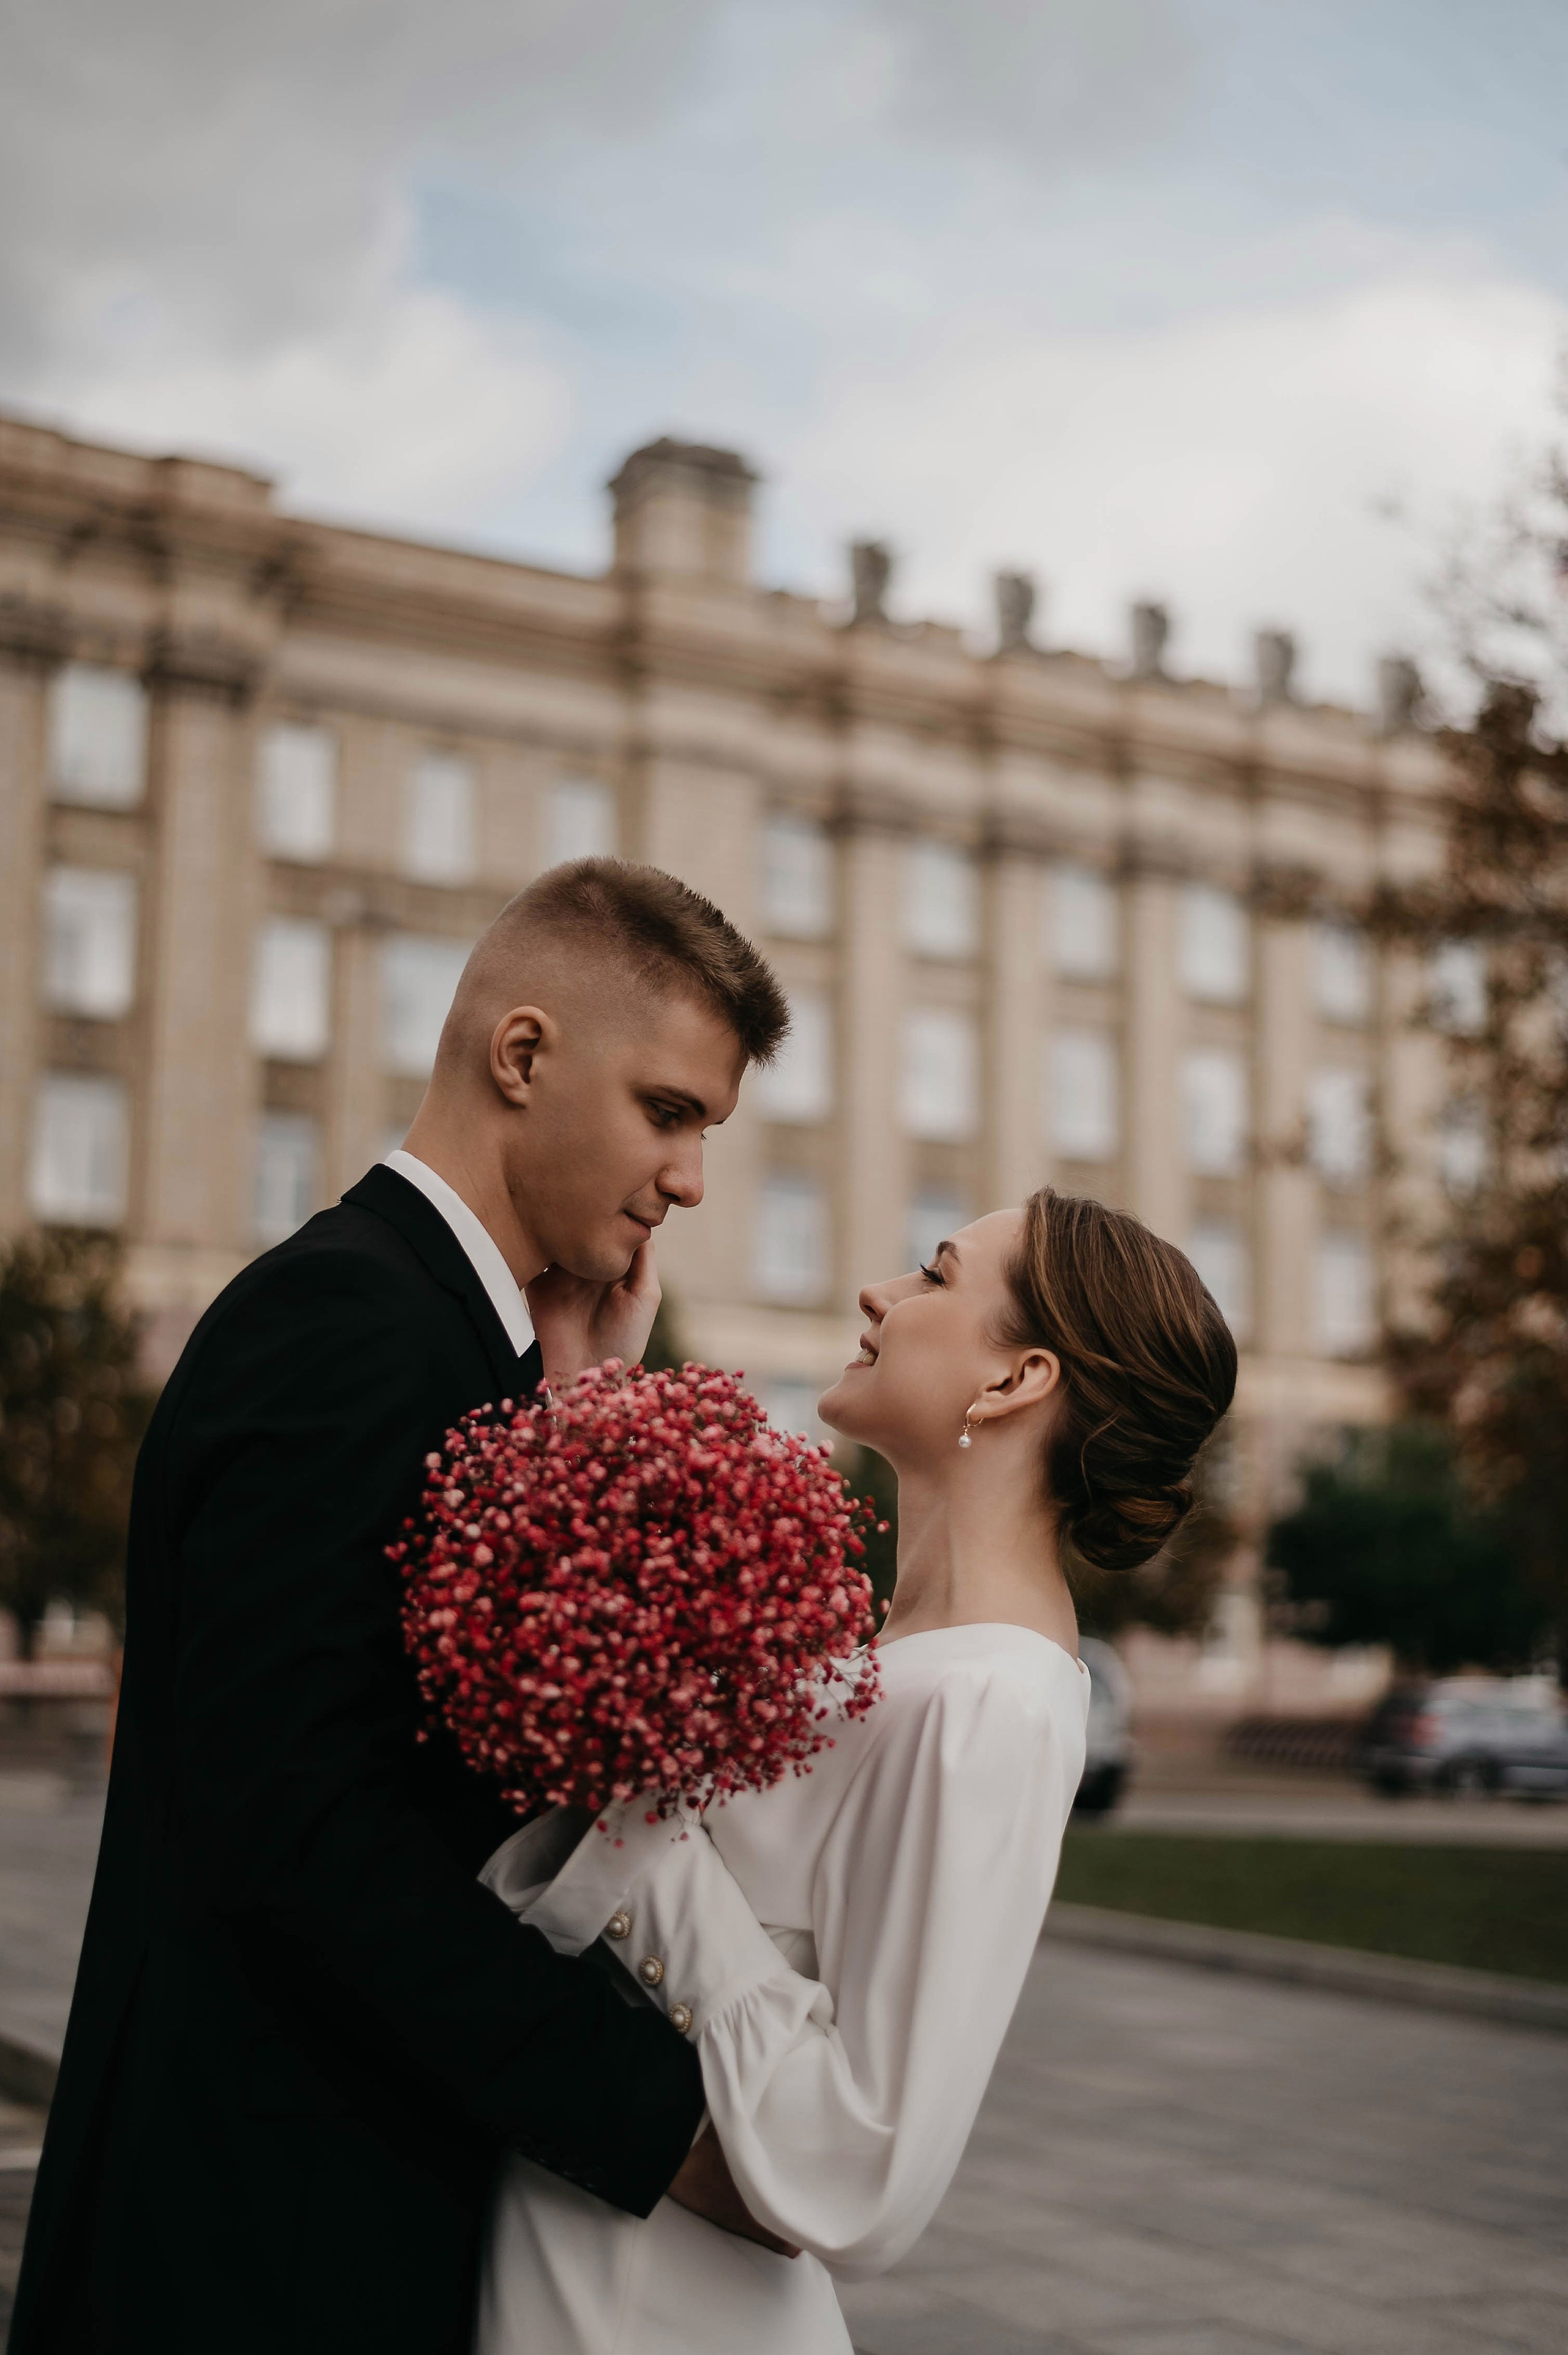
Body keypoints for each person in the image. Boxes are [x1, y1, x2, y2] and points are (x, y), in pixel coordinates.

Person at [11, 859, 790, 2355]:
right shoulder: (351, 1327)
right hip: (251, 2250)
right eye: (669, 1110)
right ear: (521, 1055)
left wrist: (582, 1424)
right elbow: (300, 1833)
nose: (691, 1177)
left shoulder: (456, 1344)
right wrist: (669, 2126)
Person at [477, 1188, 1238, 2354]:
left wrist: (647, 1812)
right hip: (576, 2266)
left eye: (934, 1276)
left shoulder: (990, 1704)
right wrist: (590, 1410)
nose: (878, 1294)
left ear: (1014, 1381)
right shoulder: (884, 1661)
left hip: (654, 2312)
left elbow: (865, 2174)